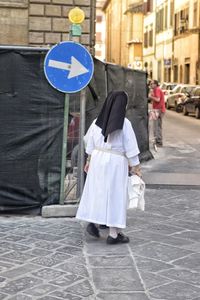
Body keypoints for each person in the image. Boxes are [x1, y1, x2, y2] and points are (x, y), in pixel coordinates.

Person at [76, 90, 141, 245]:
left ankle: (93, 222)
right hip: (116, 163)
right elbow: (131, 148)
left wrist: (89, 160)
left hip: (98, 160)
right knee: (114, 196)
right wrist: (136, 167)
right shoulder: (125, 124)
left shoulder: (96, 122)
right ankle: (113, 234)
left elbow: (89, 143)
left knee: (98, 192)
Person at [148, 80, 166, 147]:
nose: (151, 85)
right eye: (150, 84)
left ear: (155, 84)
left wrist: (151, 96)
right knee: (158, 126)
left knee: (156, 126)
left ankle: (158, 142)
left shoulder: (157, 90)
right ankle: (158, 141)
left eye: (152, 84)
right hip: (159, 109)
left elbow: (158, 99)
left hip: (158, 110)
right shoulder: (156, 90)